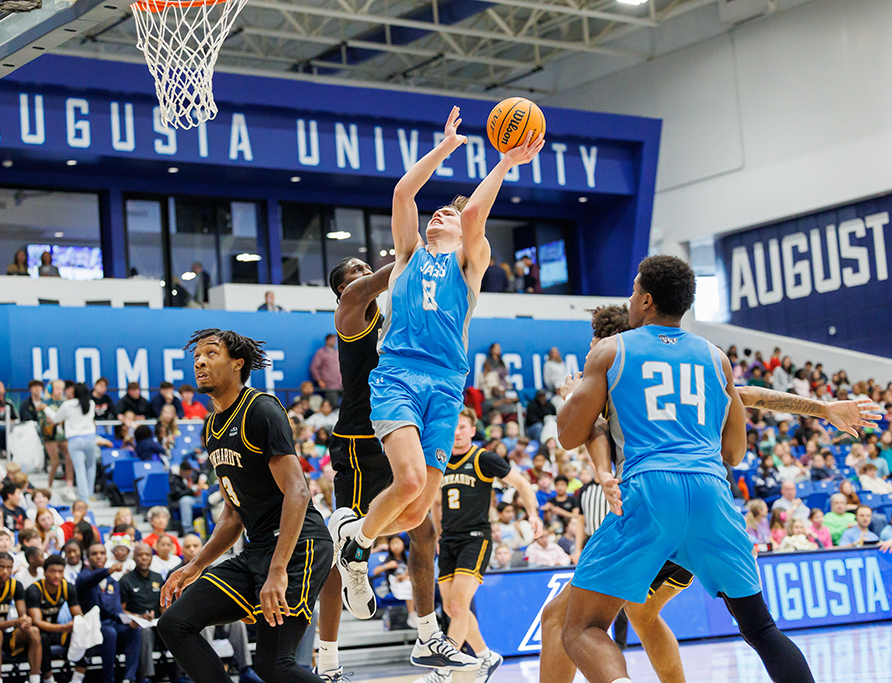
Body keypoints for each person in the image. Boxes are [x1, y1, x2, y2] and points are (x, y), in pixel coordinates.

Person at [331, 107, 542, 674]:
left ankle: (356, 536)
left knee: (417, 511)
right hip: (398, 376)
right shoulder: (407, 258)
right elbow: (404, 192)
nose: (439, 216)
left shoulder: (470, 264)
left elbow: (473, 214)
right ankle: (355, 550)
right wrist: (446, 148)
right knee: (408, 482)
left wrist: (504, 163)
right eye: (436, 213)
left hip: (447, 389)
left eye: (448, 214)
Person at [554, 256, 813, 683]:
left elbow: (568, 435)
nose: (630, 299)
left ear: (647, 300)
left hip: (650, 489)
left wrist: (573, 396)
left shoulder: (612, 350)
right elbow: (734, 453)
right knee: (761, 629)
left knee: (581, 628)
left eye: (634, 291)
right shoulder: (715, 357)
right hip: (711, 491)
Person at [157, 328, 333, 683]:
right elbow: (233, 513)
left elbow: (298, 492)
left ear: (237, 363)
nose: (200, 362)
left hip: (299, 546)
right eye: (196, 357)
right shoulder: (211, 427)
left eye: (211, 354)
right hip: (258, 548)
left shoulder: (260, 409)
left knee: (274, 664)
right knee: (174, 623)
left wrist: (278, 570)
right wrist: (195, 565)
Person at [317, 256, 439, 683]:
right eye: (353, 268)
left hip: (395, 431)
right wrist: (431, 250)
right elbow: (398, 270)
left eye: (364, 264)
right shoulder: (351, 308)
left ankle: (429, 636)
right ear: (342, 288)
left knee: (423, 530)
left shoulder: (388, 320)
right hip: (358, 442)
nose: (363, 268)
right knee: (340, 549)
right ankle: (327, 661)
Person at [419, 407, 540, 683]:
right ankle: (486, 656)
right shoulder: (441, 460)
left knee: (459, 606)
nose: (457, 433)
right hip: (448, 540)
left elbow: (521, 483)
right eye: (453, 428)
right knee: (450, 608)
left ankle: (444, 669)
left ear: (472, 431)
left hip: (475, 538)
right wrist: (437, 535)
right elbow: (436, 502)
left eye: (462, 427)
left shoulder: (483, 458)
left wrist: (533, 514)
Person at [75, 544, 140, 683]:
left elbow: (116, 611)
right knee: (110, 633)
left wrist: (131, 620)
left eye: (102, 553)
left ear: (106, 556)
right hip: (92, 625)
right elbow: (90, 580)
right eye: (94, 554)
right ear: (87, 558)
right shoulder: (84, 575)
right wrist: (109, 570)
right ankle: (109, 679)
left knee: (134, 630)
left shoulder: (112, 582)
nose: (99, 556)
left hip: (110, 623)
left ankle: (129, 678)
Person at [0, 552, 42, 683]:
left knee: (34, 631)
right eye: (1, 567)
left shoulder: (15, 585)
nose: (5, 571)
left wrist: (26, 621)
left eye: (9, 567)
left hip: (6, 634)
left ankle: (35, 679)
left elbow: (22, 615)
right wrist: (15, 622)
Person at [26, 555, 86, 683]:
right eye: (53, 571)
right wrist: (63, 627)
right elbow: (36, 621)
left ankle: (78, 678)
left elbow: (78, 614)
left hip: (56, 629)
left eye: (60, 572)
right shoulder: (34, 590)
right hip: (35, 633)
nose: (57, 576)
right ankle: (48, 678)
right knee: (43, 637)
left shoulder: (68, 587)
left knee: (85, 631)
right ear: (44, 572)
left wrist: (78, 622)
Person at [39, 383, 98, 502]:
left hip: (75, 440)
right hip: (90, 439)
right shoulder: (91, 404)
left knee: (80, 469)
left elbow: (55, 418)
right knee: (91, 466)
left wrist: (45, 408)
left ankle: (84, 498)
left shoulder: (68, 405)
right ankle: (90, 493)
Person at [119, 543, 164, 683]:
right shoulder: (126, 580)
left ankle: (181, 675)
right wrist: (139, 617)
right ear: (134, 557)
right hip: (137, 624)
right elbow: (121, 609)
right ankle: (145, 676)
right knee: (145, 632)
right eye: (140, 555)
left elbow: (163, 607)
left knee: (177, 628)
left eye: (147, 555)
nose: (144, 558)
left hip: (157, 622)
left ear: (152, 557)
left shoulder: (158, 578)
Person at [310, 335, 342, 406]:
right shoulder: (321, 352)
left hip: (340, 384)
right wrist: (319, 380)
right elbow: (314, 368)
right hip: (329, 385)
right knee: (333, 405)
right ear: (327, 341)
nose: (334, 342)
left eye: (335, 340)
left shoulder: (337, 352)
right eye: (332, 340)